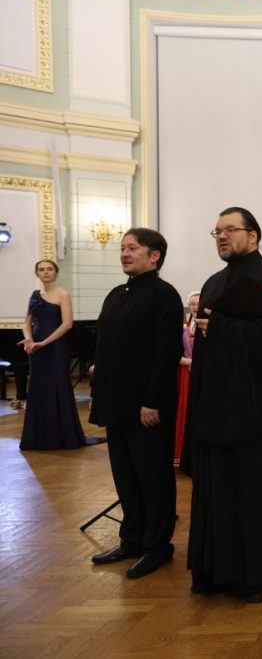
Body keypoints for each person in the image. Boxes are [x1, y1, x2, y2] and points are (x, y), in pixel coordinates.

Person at [186, 207, 262, 603]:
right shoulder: (214, 282)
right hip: (218, 407)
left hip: (260, 410)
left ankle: (260, 570)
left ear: (253, 236)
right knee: (218, 488)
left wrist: (222, 328)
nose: (221, 236)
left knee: (256, 490)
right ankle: (216, 569)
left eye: (230, 230)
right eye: (216, 231)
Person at [89, 229, 183, 579]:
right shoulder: (116, 294)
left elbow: (166, 353)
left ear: (154, 255)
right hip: (116, 401)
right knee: (126, 477)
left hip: (146, 406)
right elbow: (106, 346)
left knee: (152, 478)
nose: (124, 254)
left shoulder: (164, 295)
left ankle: (157, 546)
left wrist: (152, 400)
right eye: (122, 248)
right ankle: (131, 540)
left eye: (133, 248)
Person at [18, 259, 87, 450]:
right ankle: (40, 437)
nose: (46, 272)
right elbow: (26, 322)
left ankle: (63, 436)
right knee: (39, 389)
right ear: (37, 274)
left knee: (58, 387)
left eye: (49, 269)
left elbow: (67, 324)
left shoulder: (62, 294)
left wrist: (44, 342)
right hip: (37, 350)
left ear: (56, 273)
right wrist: (29, 340)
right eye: (41, 270)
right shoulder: (34, 295)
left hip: (55, 347)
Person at [175, 291, 199, 463]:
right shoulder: (183, 326)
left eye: (198, 304)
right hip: (186, 373)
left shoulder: (210, 324)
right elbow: (173, 351)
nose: (195, 307)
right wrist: (186, 361)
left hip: (204, 372)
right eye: (192, 304)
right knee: (184, 407)